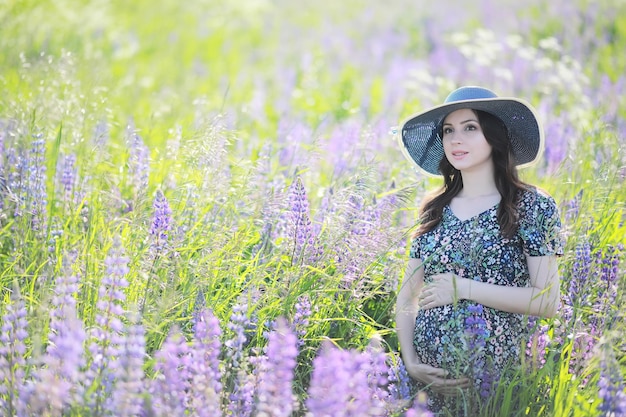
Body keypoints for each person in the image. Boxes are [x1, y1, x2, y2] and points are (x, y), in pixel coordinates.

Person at [394, 86, 564, 415]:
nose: (456, 139)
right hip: (428, 387)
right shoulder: (434, 208)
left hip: (499, 386)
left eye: (470, 128)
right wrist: (410, 360)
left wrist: (464, 289)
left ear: (494, 135)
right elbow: (407, 294)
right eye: (449, 130)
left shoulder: (530, 205)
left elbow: (547, 300)